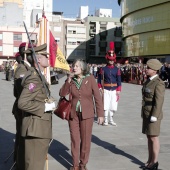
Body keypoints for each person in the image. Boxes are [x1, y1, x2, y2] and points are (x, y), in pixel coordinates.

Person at [59, 59, 104, 170]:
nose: (74, 68)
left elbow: (97, 97)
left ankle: (83, 164)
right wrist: (68, 81)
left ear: (83, 68)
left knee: (85, 140)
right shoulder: (71, 80)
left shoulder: (90, 78)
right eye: (74, 66)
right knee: (75, 139)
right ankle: (75, 165)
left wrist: (100, 114)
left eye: (77, 66)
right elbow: (62, 93)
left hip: (87, 114)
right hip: (73, 114)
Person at [18, 43, 55, 170]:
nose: (48, 58)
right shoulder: (34, 78)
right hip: (36, 130)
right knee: (34, 166)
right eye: (45, 56)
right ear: (38, 59)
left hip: (39, 129)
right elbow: (23, 103)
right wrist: (44, 107)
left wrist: (49, 102)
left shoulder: (39, 76)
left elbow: (38, 97)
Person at [141, 59, 165, 170]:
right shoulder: (148, 81)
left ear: (155, 70)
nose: (147, 69)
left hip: (153, 114)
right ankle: (150, 160)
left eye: (149, 68)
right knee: (149, 137)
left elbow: (159, 101)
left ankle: (154, 162)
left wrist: (155, 115)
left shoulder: (158, 83)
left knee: (154, 138)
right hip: (146, 112)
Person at [98, 42, 121, 126]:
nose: (111, 61)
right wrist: (100, 88)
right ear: (107, 59)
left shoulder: (117, 69)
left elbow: (119, 80)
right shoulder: (103, 69)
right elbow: (99, 80)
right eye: (110, 59)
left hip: (114, 89)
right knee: (105, 105)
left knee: (113, 105)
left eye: (112, 60)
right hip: (106, 90)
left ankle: (111, 119)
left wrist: (118, 90)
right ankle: (106, 120)